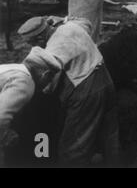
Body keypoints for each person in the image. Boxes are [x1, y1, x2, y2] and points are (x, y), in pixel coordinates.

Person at [18, 16, 120, 166]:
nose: (32, 46)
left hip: (86, 91)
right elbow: (86, 22)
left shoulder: (55, 46)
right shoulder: (71, 26)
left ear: (40, 37)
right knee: (109, 132)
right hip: (105, 80)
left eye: (32, 43)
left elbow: (46, 70)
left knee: (73, 147)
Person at [0, 47, 61, 167]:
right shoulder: (25, 83)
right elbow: (1, 117)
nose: (48, 84)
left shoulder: (10, 68)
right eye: (50, 78)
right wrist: (6, 135)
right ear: (45, 74)